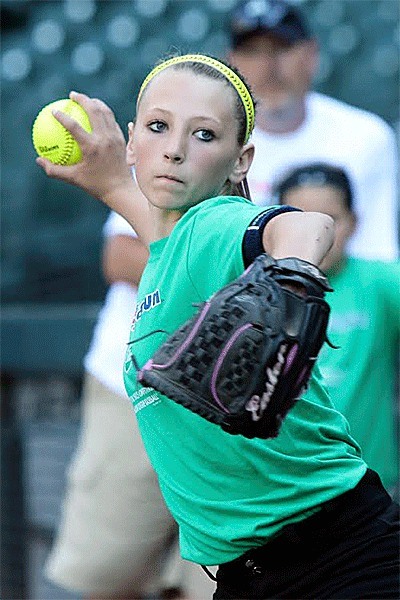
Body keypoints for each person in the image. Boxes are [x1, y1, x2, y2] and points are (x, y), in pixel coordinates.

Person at [36, 53, 399, 599]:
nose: (176, 148)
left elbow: (306, 225)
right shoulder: (167, 247)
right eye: (159, 127)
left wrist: (292, 276)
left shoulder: (216, 224)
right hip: (249, 577)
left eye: (204, 134)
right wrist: (108, 177)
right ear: (134, 142)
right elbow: (154, 227)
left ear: (240, 161)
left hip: (339, 560)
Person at [44, 211, 216, 599]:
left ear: (243, 157)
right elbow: (119, 257)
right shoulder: (168, 154)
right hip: (130, 390)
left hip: (236, 410)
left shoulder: (363, 147)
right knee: (108, 574)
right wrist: (231, 274)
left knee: (220, 584)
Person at [227, 0, 399, 260]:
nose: (268, 65)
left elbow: (374, 256)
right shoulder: (208, 138)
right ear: (231, 61)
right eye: (252, 51)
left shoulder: (365, 137)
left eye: (282, 48)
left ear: (311, 54)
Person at [273, 162, 400, 497]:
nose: (318, 234)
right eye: (301, 220)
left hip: (367, 485)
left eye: (331, 220)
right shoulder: (255, 293)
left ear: (354, 223)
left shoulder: (378, 284)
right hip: (280, 487)